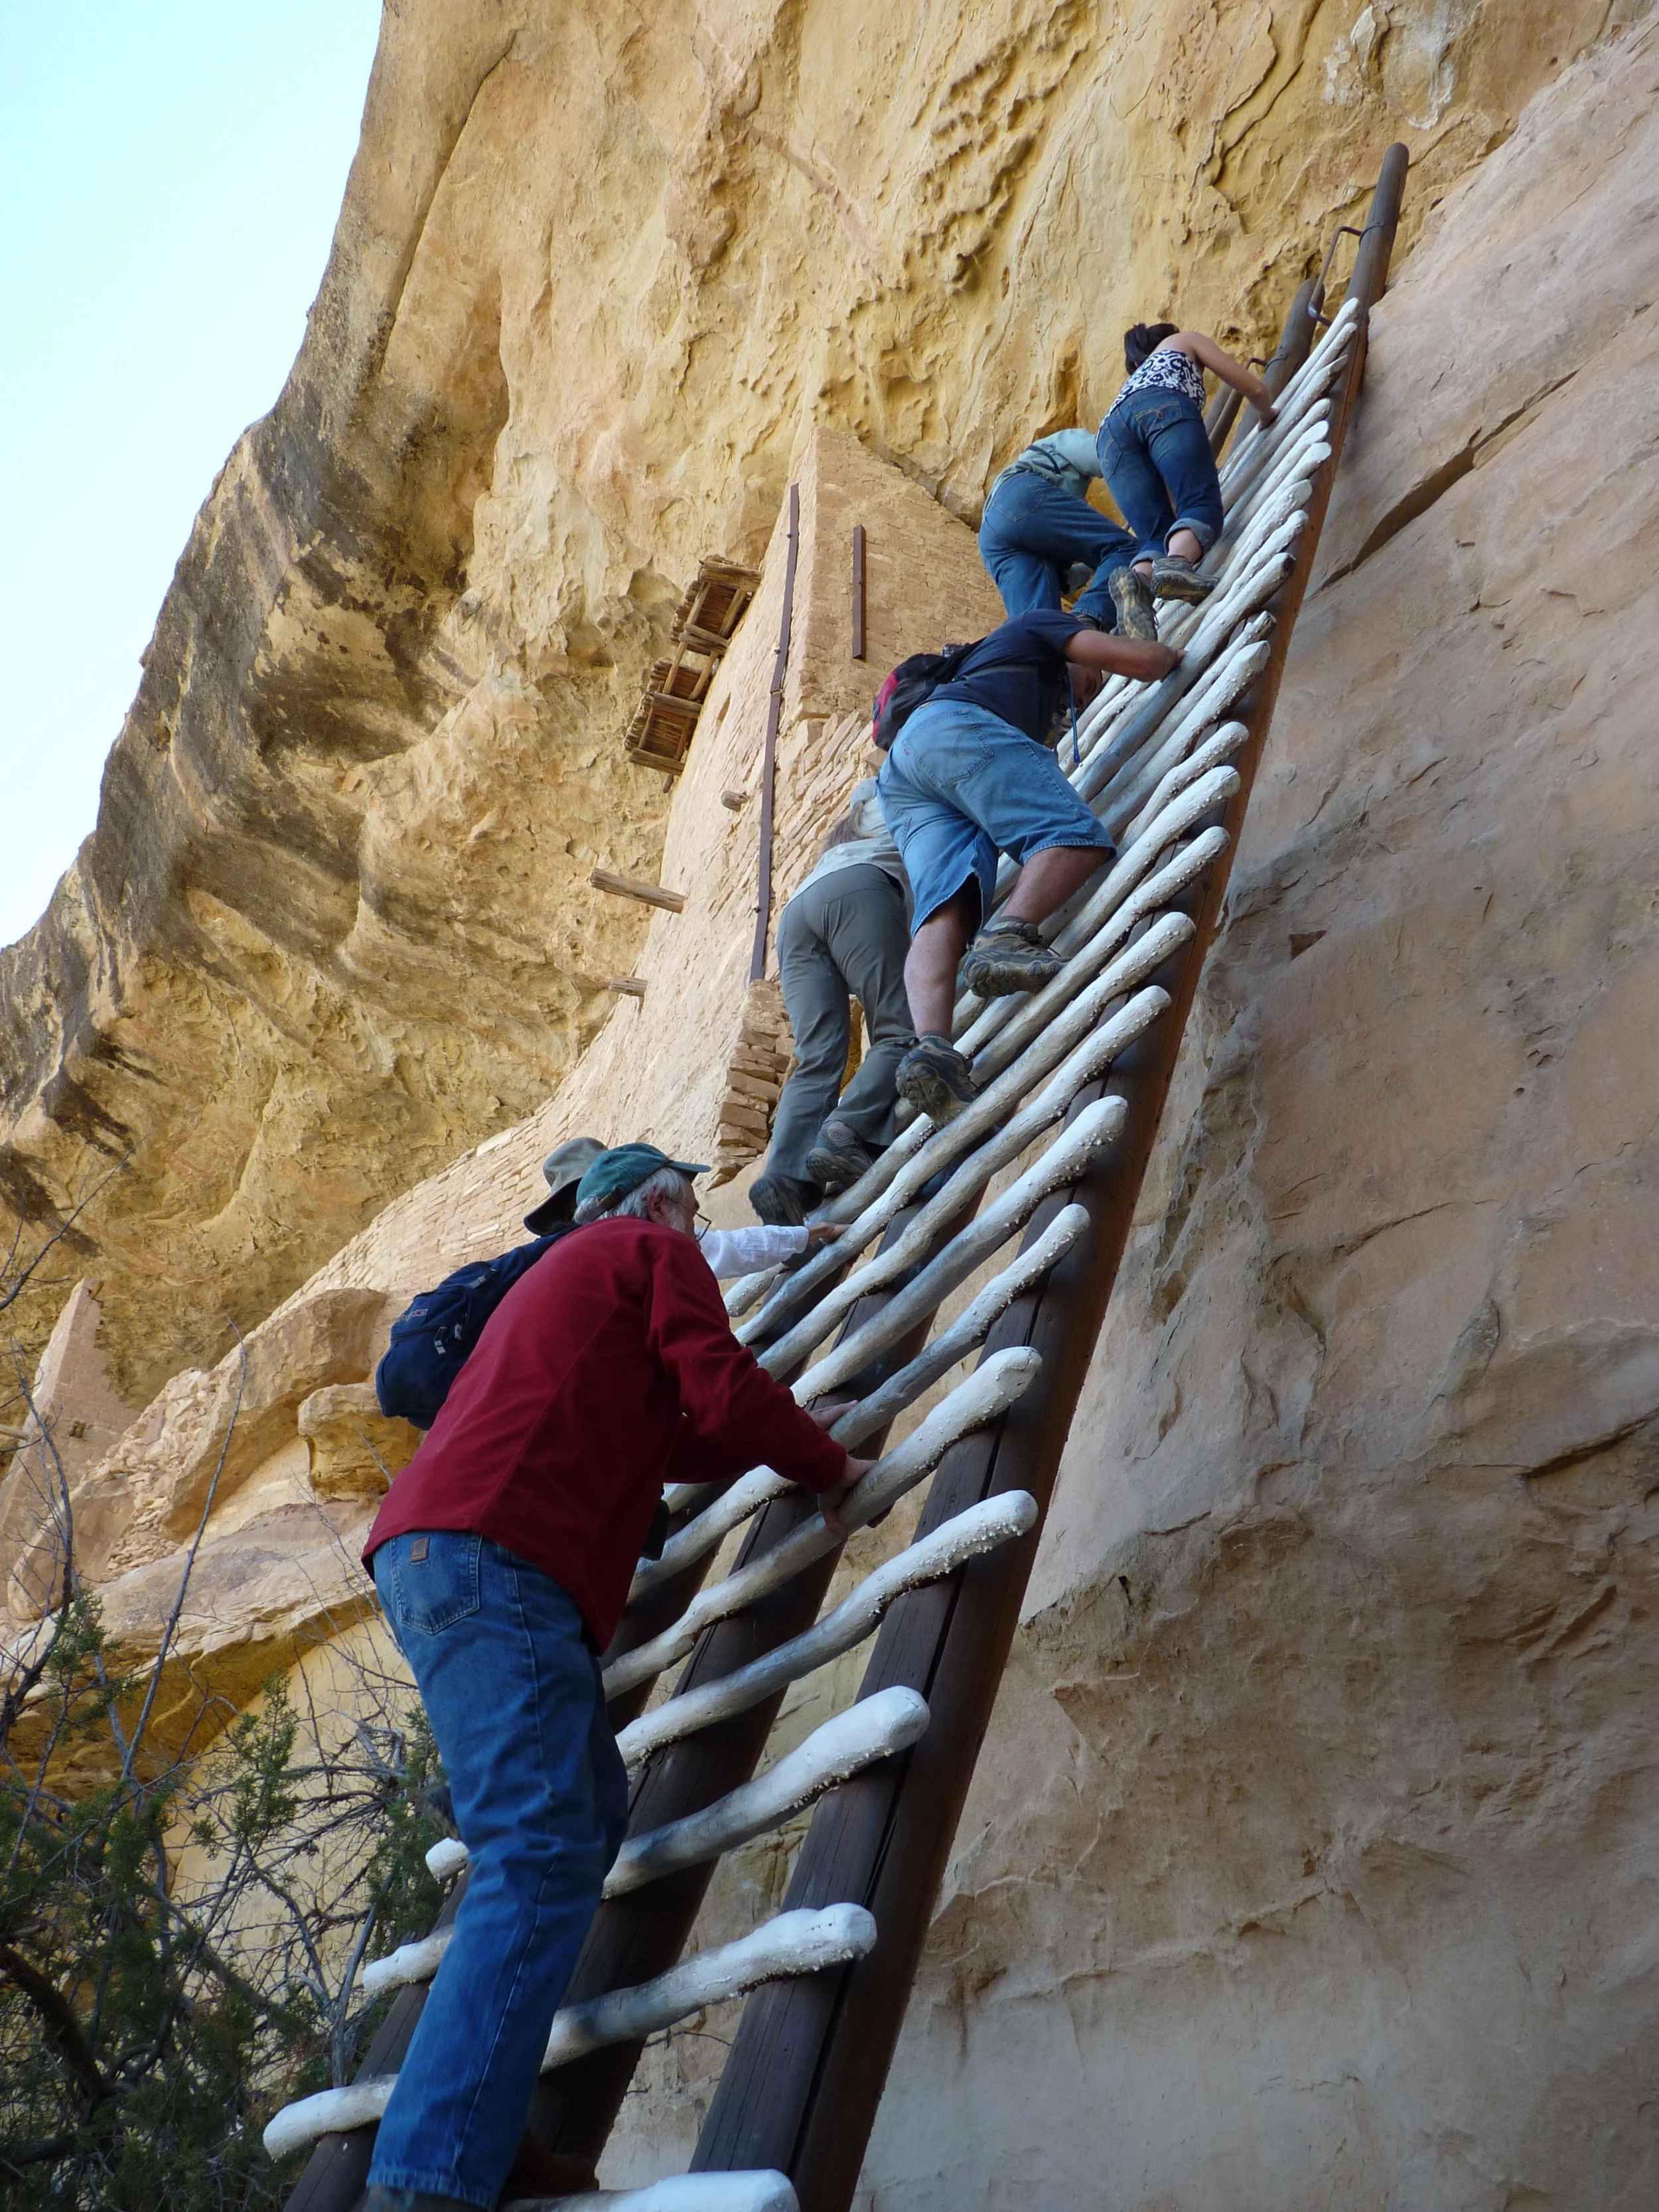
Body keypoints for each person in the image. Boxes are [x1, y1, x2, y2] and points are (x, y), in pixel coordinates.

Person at [360, 1142, 872, 2212]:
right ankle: (434, 2178)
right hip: (497, 1555)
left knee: (581, 1819)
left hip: (447, 1556)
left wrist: (763, 1435)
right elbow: (721, 1392)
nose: (699, 1221)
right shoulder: (647, 1247)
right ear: (657, 1202)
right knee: (541, 1849)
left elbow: (681, 1436)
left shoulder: (565, 1286)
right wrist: (828, 1464)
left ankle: (477, 2132)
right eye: (691, 1203)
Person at [878, 609, 1179, 1122]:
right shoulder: (1042, 626)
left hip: (903, 771)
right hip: (952, 729)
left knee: (945, 907)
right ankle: (1008, 936)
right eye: (1090, 681)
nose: (1088, 697)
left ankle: (931, 1046)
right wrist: (1169, 652)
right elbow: (1148, 662)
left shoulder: (997, 679)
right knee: (1072, 836)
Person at [749, 778, 916, 1226]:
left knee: (817, 1055)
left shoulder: (847, 831)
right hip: (859, 893)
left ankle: (785, 1178)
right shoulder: (912, 790)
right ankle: (847, 1129)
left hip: (799, 912)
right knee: (900, 1031)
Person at [1097, 321, 1278, 606]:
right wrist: (1267, 412)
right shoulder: (1183, 340)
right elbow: (1252, 388)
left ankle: (1136, 594)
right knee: (1200, 504)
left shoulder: (1132, 383)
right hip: (1160, 406)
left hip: (1108, 438)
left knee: (1156, 535)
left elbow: (1168, 487)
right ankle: (1177, 565)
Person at [976, 429, 1144, 636]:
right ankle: (1089, 620)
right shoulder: (1061, 441)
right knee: (1124, 548)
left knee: (1041, 631)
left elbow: (1063, 581)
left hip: (991, 539)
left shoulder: (1043, 527)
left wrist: (1091, 567)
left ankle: (1049, 661)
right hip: (1020, 497)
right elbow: (1105, 455)